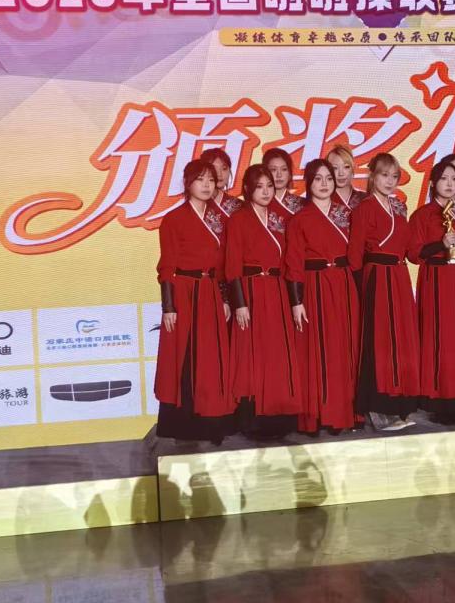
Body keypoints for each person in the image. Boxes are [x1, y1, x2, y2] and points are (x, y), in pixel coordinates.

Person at [153, 159, 234, 443]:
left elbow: (223, 266)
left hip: (211, 292)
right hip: (185, 292)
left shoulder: (220, 220)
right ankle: (183, 424)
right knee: (185, 356)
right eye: (200, 179)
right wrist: (169, 306)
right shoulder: (174, 219)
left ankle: (211, 422)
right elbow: (166, 266)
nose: (207, 185)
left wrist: (225, 298)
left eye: (211, 179)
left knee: (211, 359)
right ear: (188, 184)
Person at [225, 164, 306, 429]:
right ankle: (252, 418)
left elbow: (291, 260)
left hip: (277, 290)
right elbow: (232, 265)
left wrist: (294, 299)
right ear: (248, 189)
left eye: (270, 186)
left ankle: (278, 413)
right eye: (259, 186)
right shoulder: (238, 220)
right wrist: (240, 303)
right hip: (251, 291)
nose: (266, 191)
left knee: (277, 353)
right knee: (252, 353)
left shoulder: (281, 219)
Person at [285, 159, 360, 434]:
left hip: (343, 284)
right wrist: (297, 301)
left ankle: (342, 414)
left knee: (344, 349)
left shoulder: (347, 215)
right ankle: (315, 414)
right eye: (318, 179)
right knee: (316, 350)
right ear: (308, 183)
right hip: (314, 286)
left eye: (329, 178)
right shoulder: (299, 219)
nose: (325, 184)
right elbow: (293, 262)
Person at [348, 153, 421, 431]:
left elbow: (412, 251)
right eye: (384, 175)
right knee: (379, 342)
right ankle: (378, 410)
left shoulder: (399, 208)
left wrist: (444, 244)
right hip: (377, 277)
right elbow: (355, 254)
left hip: (399, 277)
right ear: (372, 177)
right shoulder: (364, 208)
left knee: (400, 341)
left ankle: (398, 404)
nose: (389, 181)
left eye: (394, 176)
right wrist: (359, 290)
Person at [408, 159, 455, 422]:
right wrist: (439, 244)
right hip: (437, 280)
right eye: (444, 179)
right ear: (432, 183)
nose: (450, 184)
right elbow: (413, 254)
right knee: (441, 337)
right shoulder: (423, 215)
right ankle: (442, 400)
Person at [263, 147, 305, 220]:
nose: (279, 175)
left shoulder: (303, 204)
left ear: (289, 173)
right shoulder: (259, 204)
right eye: (273, 170)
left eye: (284, 169)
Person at [200, 147, 243, 217]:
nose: (219, 174)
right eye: (214, 168)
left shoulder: (239, 205)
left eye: (224, 168)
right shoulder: (195, 203)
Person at [326, 143, 366, 211]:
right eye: (335, 168)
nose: (341, 173)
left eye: (346, 167)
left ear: (353, 169)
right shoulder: (321, 201)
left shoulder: (366, 199)